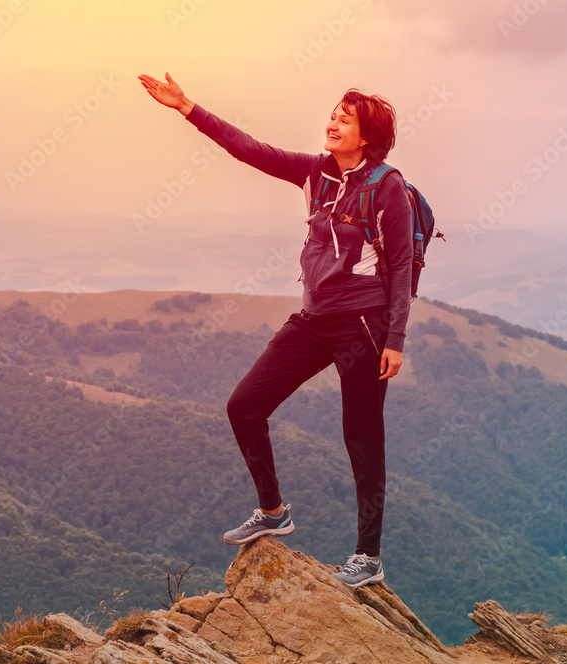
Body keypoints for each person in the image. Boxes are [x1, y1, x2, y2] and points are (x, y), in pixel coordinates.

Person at [138, 72, 413, 588]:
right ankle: (273, 510)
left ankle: (368, 558)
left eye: (345, 117)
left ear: (368, 137)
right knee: (244, 405)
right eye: (333, 113)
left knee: (362, 438)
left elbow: (400, 268)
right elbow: (248, 148)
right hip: (313, 320)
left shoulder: (387, 187)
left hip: (363, 326)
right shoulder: (315, 172)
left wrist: (395, 339)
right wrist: (187, 107)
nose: (333, 121)